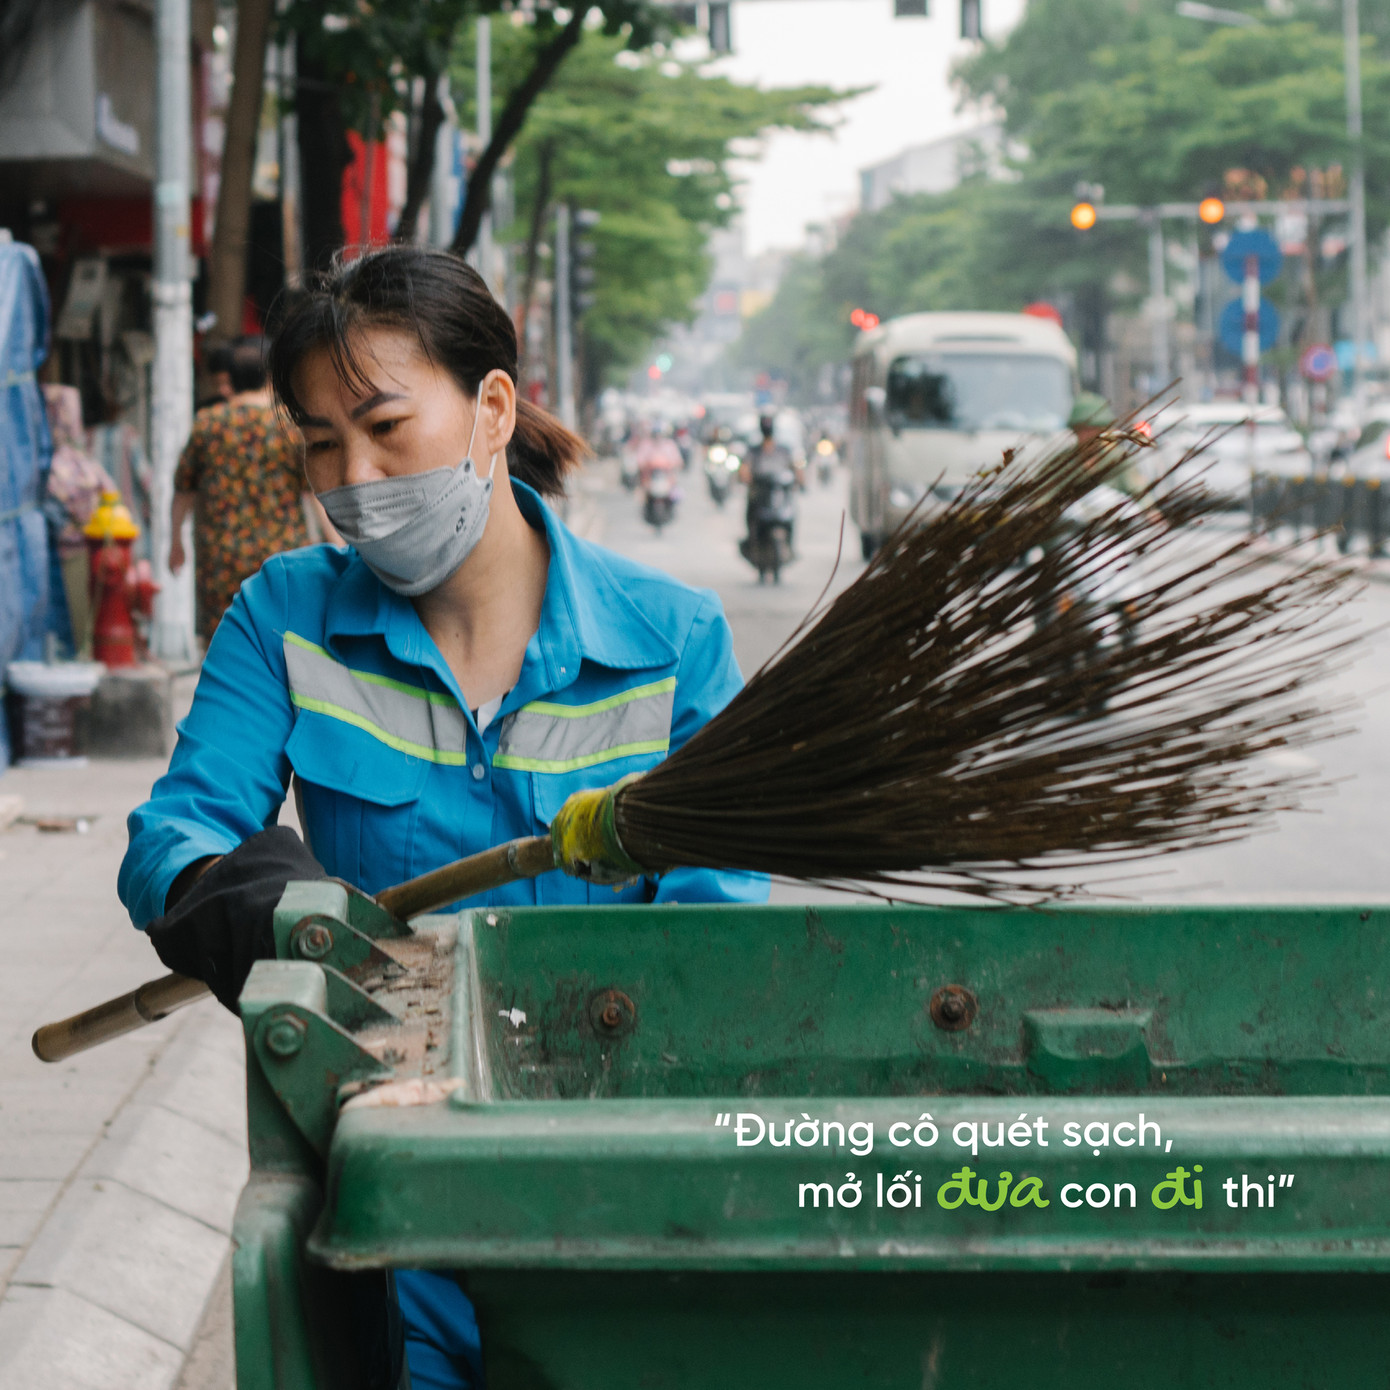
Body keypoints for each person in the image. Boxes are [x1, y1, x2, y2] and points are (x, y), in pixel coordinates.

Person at [117, 247, 768, 1389]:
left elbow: (718, 930)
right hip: (388, 1185)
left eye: (383, 425)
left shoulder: (672, 640)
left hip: (609, 1199)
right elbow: (178, 834)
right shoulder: (286, 620)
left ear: (491, 410)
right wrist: (240, 893)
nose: (354, 475)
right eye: (322, 442)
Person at [169, 334, 338, 641]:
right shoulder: (288, 425)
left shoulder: (209, 423)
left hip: (220, 556)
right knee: (285, 639)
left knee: (223, 639)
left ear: (230, 379)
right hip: (282, 555)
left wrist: (175, 542)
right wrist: (338, 545)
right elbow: (313, 492)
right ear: (269, 377)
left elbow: (184, 489)